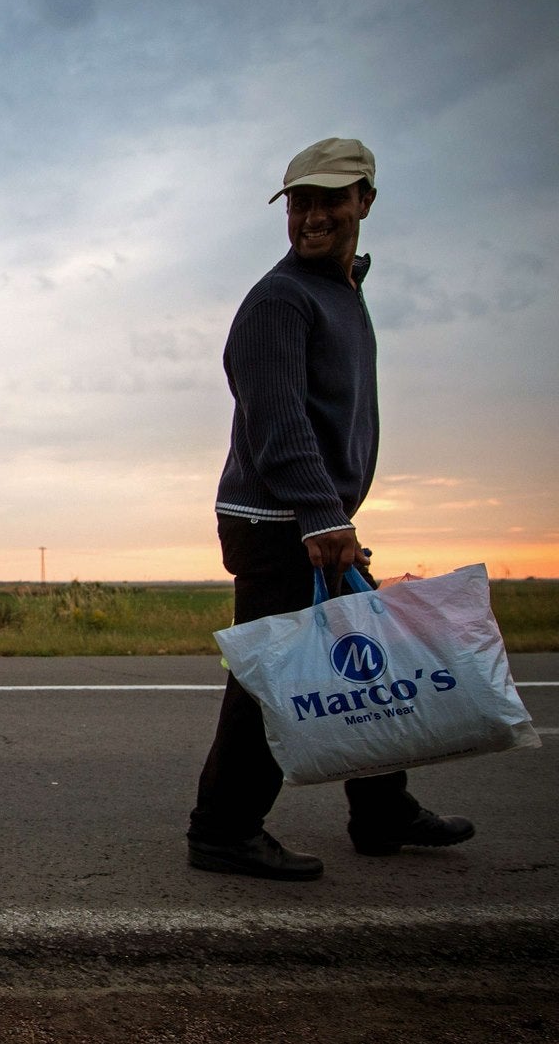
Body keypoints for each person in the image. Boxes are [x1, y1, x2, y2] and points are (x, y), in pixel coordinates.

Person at [186, 137, 474, 881]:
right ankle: (223, 829)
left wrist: (328, 512)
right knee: (273, 678)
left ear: (365, 202)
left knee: (369, 658)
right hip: (278, 521)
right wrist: (322, 514)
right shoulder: (281, 300)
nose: (312, 215)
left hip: (308, 517)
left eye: (329, 200)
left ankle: (382, 807)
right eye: (300, 203)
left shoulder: (339, 293)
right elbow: (277, 419)